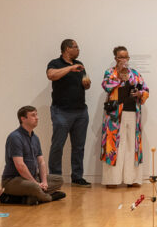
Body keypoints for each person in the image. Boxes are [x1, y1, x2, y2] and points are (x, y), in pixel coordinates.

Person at [101, 46, 149, 188]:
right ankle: (112, 180)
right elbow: (106, 86)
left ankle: (132, 179)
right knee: (114, 145)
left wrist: (140, 94)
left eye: (126, 57)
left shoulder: (135, 73)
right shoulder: (110, 72)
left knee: (131, 145)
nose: (124, 60)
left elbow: (145, 89)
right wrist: (120, 78)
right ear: (115, 58)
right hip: (115, 114)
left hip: (133, 112)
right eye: (121, 57)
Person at [46, 38, 91, 187]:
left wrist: (86, 83)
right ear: (67, 49)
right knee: (58, 145)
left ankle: (77, 177)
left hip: (80, 112)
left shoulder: (81, 65)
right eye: (76, 47)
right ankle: (55, 178)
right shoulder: (55, 63)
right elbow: (51, 75)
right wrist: (70, 69)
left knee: (79, 146)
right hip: (61, 112)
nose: (79, 50)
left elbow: (86, 82)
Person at [2, 106, 65, 204]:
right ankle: (48, 198)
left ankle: (32, 197)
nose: (37, 118)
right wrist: (36, 183)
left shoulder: (35, 138)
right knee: (34, 187)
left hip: (33, 177)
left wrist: (44, 182)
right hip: (13, 180)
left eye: (36, 115)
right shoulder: (15, 137)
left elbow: (41, 162)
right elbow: (20, 166)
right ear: (23, 119)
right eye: (33, 115)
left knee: (59, 179)